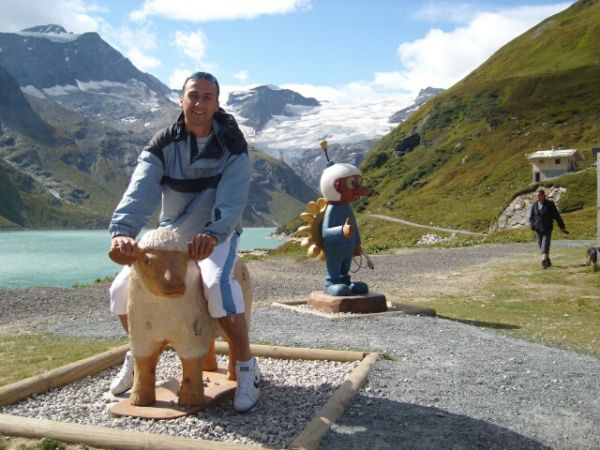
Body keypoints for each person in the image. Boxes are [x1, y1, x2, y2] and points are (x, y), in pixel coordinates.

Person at [107, 71, 260, 413]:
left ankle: (246, 366)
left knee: (217, 285)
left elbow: (232, 200)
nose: (199, 103)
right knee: (119, 291)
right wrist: (123, 231)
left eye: (207, 97)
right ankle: (136, 352)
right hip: (171, 238)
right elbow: (140, 190)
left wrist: (214, 233)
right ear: (181, 100)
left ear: (217, 103)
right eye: (193, 95)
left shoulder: (233, 146)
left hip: (216, 236)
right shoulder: (163, 143)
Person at [528, 188, 569, 268]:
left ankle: (543, 261)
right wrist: (532, 225)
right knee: (541, 245)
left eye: (540, 195)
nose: (538, 197)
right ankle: (548, 261)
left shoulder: (550, 204)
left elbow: (557, 216)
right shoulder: (535, 205)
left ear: (543, 196)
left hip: (547, 228)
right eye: (537, 196)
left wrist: (562, 227)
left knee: (545, 244)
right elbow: (531, 217)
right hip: (537, 228)